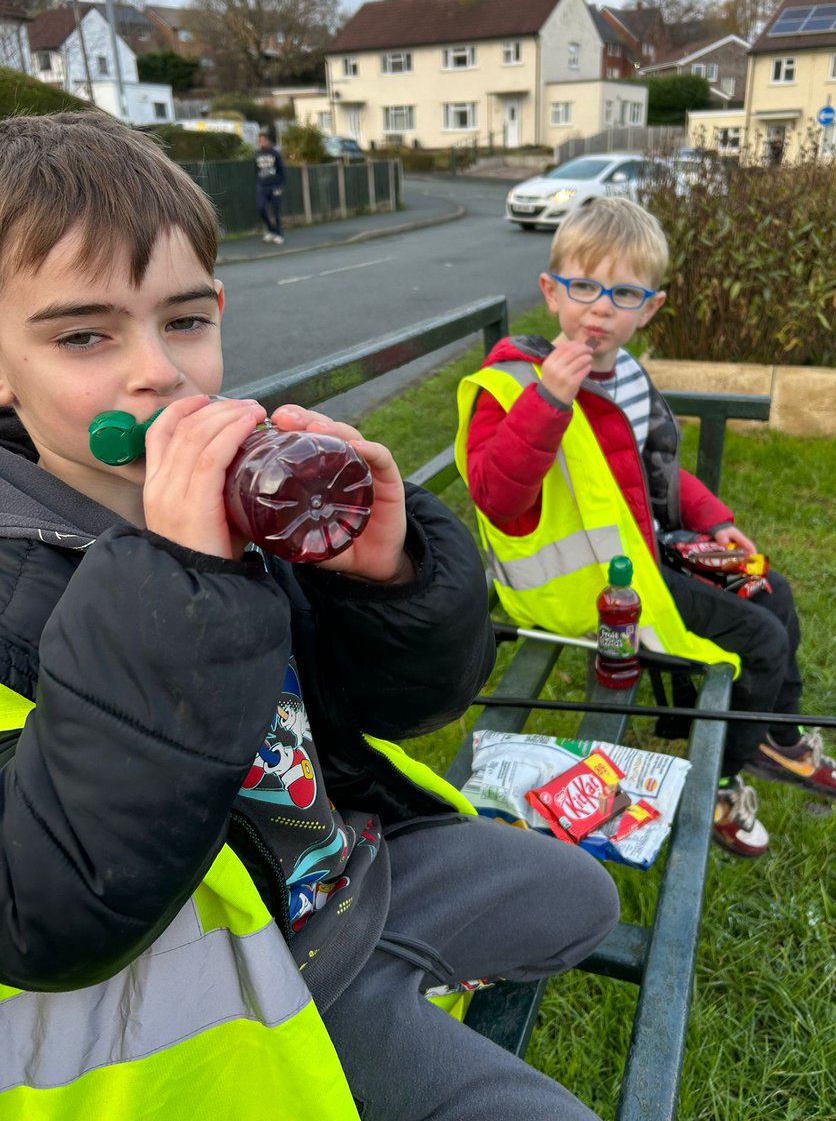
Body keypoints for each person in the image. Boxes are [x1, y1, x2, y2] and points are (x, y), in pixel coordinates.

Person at [0, 113, 620, 1121]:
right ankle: (367, 1017)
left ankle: (391, 957)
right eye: (83, 335)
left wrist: (389, 576)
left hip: (340, 870)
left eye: (186, 321)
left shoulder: (238, 504)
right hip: (231, 979)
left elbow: (404, 700)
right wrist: (178, 582)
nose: (157, 369)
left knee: (579, 896)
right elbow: (49, 904)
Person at [456, 197, 836, 859]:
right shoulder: (513, 385)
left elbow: (656, 473)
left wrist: (714, 520)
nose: (600, 308)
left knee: (774, 593)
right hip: (583, 592)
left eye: (624, 293)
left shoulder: (630, 376)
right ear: (551, 292)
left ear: (650, 308)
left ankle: (777, 740)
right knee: (758, 640)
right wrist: (548, 402)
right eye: (584, 286)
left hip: (644, 557)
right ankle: (725, 778)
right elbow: (499, 496)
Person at [255, 129, 286, 243]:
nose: (261, 143)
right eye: (259, 141)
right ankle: (270, 229)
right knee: (260, 207)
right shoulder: (257, 154)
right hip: (262, 186)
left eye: (263, 140)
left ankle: (278, 234)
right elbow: (256, 170)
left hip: (274, 186)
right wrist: (259, 182)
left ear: (268, 141)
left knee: (276, 210)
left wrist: (280, 186)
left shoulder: (275, 154)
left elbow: (282, 171)